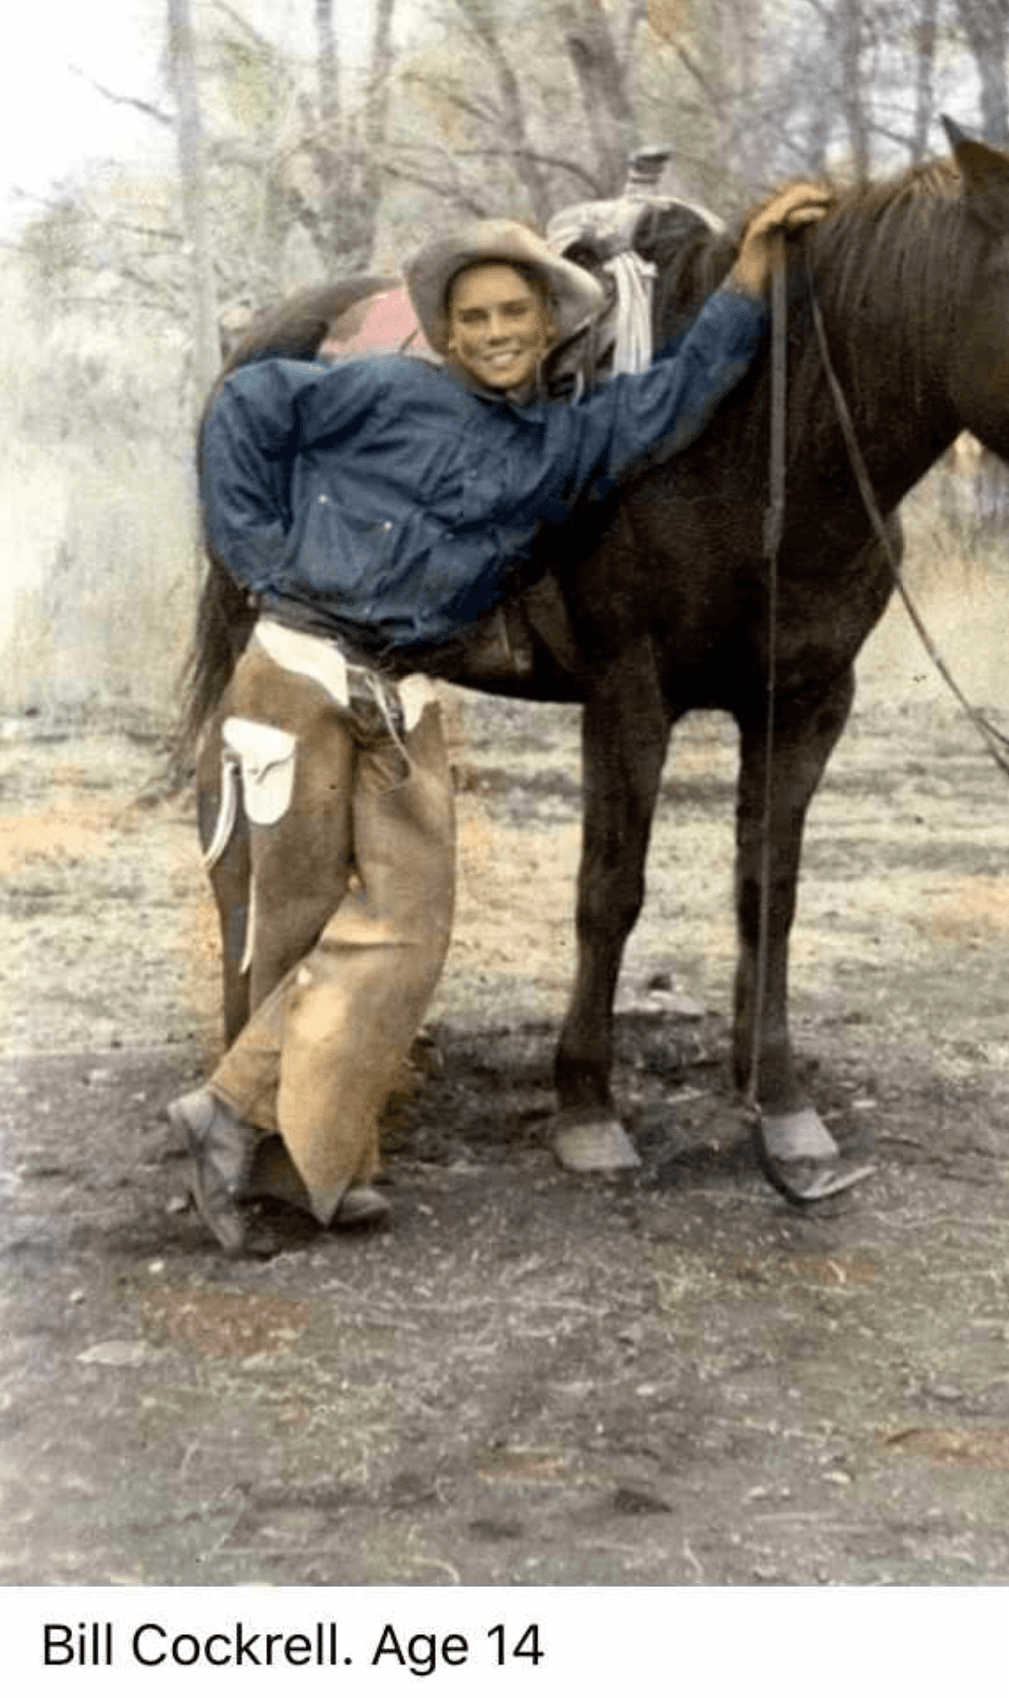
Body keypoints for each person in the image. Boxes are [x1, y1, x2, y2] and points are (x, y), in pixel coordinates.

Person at [168, 179, 830, 1254]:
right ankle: (290, 1156)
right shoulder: (382, 391)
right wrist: (254, 559)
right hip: (300, 667)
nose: (493, 335)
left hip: (401, 689)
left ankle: (237, 1115)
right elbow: (247, 405)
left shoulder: (561, 446)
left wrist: (751, 271)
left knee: (411, 928)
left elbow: (684, 390)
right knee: (292, 914)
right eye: (471, 319)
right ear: (445, 332)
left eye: (512, 315)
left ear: (550, 323)